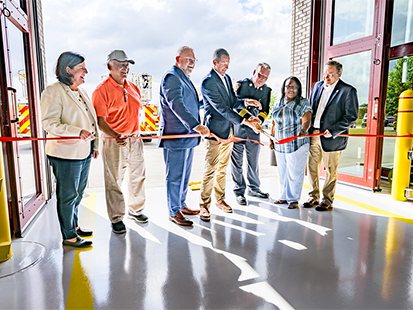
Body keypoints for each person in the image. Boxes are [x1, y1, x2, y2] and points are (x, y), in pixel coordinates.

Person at [41, 51, 98, 248]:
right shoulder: (53, 91)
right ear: (68, 69)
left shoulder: (80, 91)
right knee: (67, 195)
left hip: (84, 151)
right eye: (82, 68)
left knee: (78, 193)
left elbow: (91, 121)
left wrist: (94, 145)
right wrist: (77, 132)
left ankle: (73, 225)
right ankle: (69, 236)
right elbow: (49, 123)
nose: (86, 72)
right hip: (65, 153)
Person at [199, 48, 261, 221]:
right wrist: (245, 121)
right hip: (215, 134)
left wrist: (245, 103)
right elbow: (222, 109)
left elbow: (232, 102)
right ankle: (204, 205)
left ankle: (220, 200)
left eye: (228, 64)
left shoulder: (226, 78)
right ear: (215, 63)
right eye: (224, 64)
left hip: (229, 132)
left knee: (222, 169)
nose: (226, 67)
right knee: (210, 169)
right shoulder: (208, 82)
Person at [92, 50, 148, 234]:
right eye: (121, 64)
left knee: (137, 175)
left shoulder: (133, 87)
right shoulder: (101, 91)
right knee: (114, 180)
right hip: (114, 141)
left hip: (134, 138)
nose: (125, 67)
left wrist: (135, 133)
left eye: (127, 64)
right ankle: (116, 217)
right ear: (110, 66)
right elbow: (101, 122)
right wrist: (116, 134)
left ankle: (136, 210)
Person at [159, 46, 210, 226]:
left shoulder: (185, 79)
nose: (191, 63)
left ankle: (181, 205)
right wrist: (196, 125)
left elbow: (193, 104)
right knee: (175, 176)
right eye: (188, 59)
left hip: (187, 137)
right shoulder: (171, 77)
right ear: (177, 59)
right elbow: (177, 104)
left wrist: (209, 100)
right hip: (176, 137)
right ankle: (174, 211)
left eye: (194, 60)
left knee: (184, 175)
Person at [304, 60, 359, 211]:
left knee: (330, 170)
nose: (325, 77)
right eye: (324, 73)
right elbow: (309, 107)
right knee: (312, 166)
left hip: (332, 137)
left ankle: (327, 200)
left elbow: (351, 116)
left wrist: (334, 130)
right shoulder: (317, 86)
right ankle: (313, 196)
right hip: (314, 133)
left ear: (339, 73)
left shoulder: (348, 91)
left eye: (330, 74)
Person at [231, 62, 272, 206]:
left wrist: (259, 120)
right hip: (239, 128)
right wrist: (249, 119)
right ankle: (239, 192)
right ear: (254, 72)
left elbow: (265, 110)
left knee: (253, 162)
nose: (262, 79)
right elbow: (235, 105)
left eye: (265, 77)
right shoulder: (241, 85)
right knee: (237, 163)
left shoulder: (267, 90)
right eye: (260, 74)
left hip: (254, 131)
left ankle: (254, 188)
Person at [270, 76, 311, 209]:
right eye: (288, 86)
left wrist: (304, 130)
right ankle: (283, 196)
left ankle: (293, 199)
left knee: (295, 173)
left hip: (296, 144)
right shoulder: (278, 102)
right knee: (283, 173)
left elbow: (307, 118)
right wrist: (272, 138)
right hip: (280, 144)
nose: (291, 89)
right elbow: (274, 122)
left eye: (294, 87)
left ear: (298, 89)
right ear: (284, 88)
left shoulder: (303, 102)